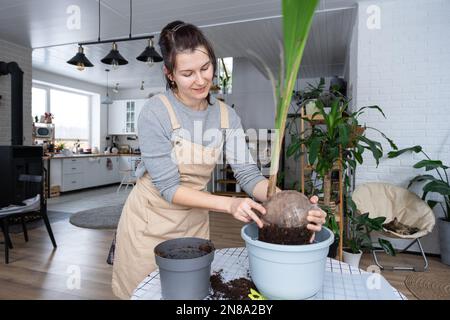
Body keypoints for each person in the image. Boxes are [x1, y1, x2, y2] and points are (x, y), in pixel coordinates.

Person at [111, 20, 326, 299]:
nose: (200, 80)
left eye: (205, 68)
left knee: (189, 296)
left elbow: (249, 176)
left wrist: (291, 204)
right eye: (187, 73)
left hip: (194, 221)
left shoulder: (226, 116)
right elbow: (170, 188)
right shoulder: (155, 112)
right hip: (149, 223)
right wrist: (229, 204)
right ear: (169, 73)